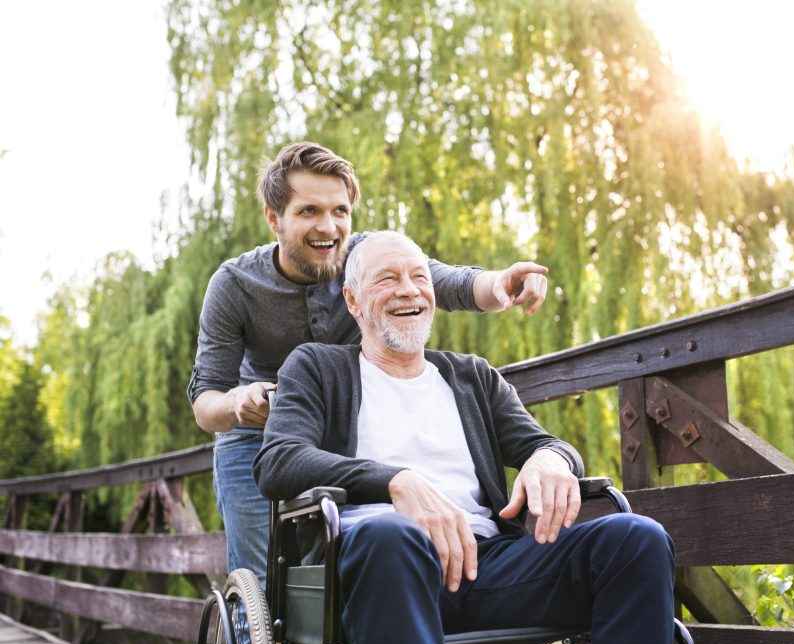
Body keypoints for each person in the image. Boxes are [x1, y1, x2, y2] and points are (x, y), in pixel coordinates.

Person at [253, 231, 676, 644]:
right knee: (391, 535)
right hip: (377, 565)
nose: (409, 289)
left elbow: (546, 444)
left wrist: (551, 459)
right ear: (353, 302)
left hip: (487, 564)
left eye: (419, 277)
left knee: (636, 540)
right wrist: (396, 481)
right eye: (388, 279)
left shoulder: (472, 376)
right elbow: (279, 460)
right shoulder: (317, 367)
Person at [188, 142, 550, 585]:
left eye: (340, 211)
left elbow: (450, 282)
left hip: (340, 433)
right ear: (273, 218)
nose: (328, 227)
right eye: (309, 212)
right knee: (260, 585)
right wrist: (238, 403)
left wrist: (503, 284)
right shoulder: (234, 285)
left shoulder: (366, 260)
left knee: (340, 571)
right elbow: (205, 403)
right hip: (255, 440)